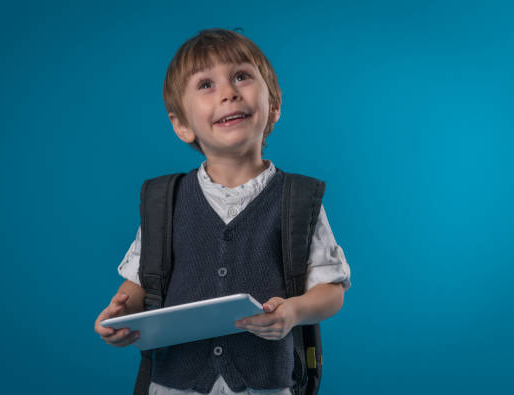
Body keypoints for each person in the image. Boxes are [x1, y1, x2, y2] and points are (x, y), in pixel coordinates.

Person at [94, 28, 352, 395]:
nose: (229, 92)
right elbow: (140, 283)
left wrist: (293, 312)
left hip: (266, 385)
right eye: (205, 85)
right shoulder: (164, 201)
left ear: (273, 105)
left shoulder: (297, 199)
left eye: (242, 76)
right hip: (174, 384)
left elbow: (331, 290)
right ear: (182, 125)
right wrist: (122, 314)